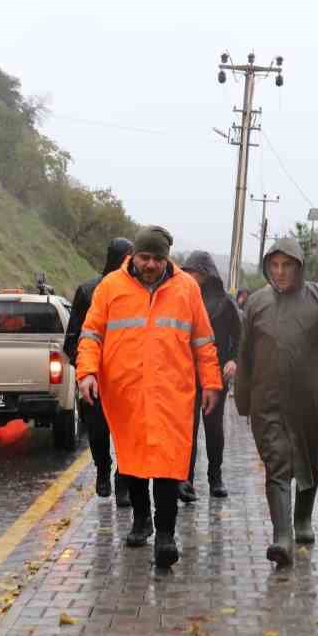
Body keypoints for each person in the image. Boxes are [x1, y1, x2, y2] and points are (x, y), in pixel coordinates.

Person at [76, 225, 223, 569]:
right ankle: (142, 520)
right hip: (124, 392)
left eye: (158, 258)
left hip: (173, 392)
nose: (152, 265)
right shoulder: (111, 287)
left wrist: (211, 383)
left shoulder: (186, 288)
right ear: (133, 256)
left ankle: (167, 536)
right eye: (145, 257)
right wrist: (86, 373)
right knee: (134, 460)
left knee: (170, 463)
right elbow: (91, 334)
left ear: (167, 258)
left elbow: (203, 340)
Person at [235, 236, 318, 566]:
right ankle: (282, 539)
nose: (280, 272)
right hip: (268, 401)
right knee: (277, 464)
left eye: (287, 265)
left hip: (312, 400)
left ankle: (303, 517)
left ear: (299, 267)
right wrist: (243, 399)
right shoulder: (256, 304)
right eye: (274, 266)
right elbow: (245, 355)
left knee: (309, 460)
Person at [64, 237, 133, 501]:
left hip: (125, 377)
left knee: (126, 433)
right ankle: (103, 470)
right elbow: (73, 337)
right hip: (95, 377)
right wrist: (84, 371)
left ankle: (124, 481)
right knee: (98, 431)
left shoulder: (135, 292)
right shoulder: (88, 291)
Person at [178, 251, 242, 500]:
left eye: (191, 272)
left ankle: (215, 478)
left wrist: (233, 360)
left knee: (214, 428)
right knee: (187, 429)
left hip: (215, 376)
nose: (187, 276)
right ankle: (186, 480)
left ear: (204, 275)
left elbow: (240, 335)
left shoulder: (226, 304)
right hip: (185, 374)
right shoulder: (181, 299)